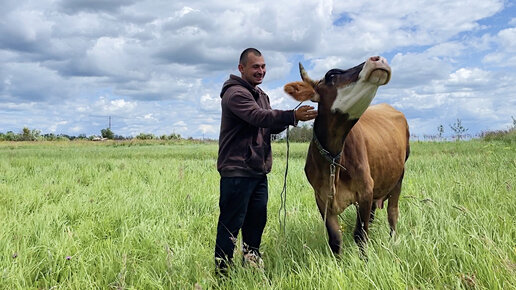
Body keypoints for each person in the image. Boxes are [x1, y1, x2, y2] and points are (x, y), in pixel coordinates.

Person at [215, 48, 317, 274]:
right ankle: (222, 275)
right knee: (230, 227)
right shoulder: (235, 93)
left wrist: (288, 120)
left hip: (257, 172)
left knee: (255, 224)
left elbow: (268, 123)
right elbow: (257, 116)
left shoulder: (261, 95)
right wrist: (291, 116)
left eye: (263, 66)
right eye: (255, 67)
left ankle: (251, 268)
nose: (261, 71)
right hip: (237, 172)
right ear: (241, 68)